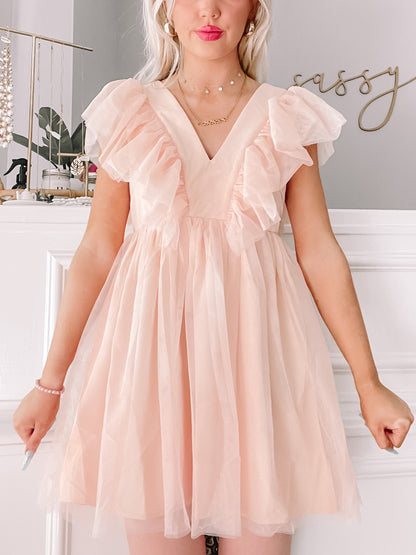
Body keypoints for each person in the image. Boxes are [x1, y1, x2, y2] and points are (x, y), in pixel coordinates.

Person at [13, 1, 414, 554]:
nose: (209, 8)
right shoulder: (131, 109)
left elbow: (318, 251)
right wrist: (48, 385)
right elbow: (97, 250)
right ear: (165, 11)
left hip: (255, 372)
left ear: (254, 8)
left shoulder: (286, 116)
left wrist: (370, 387)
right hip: (150, 371)